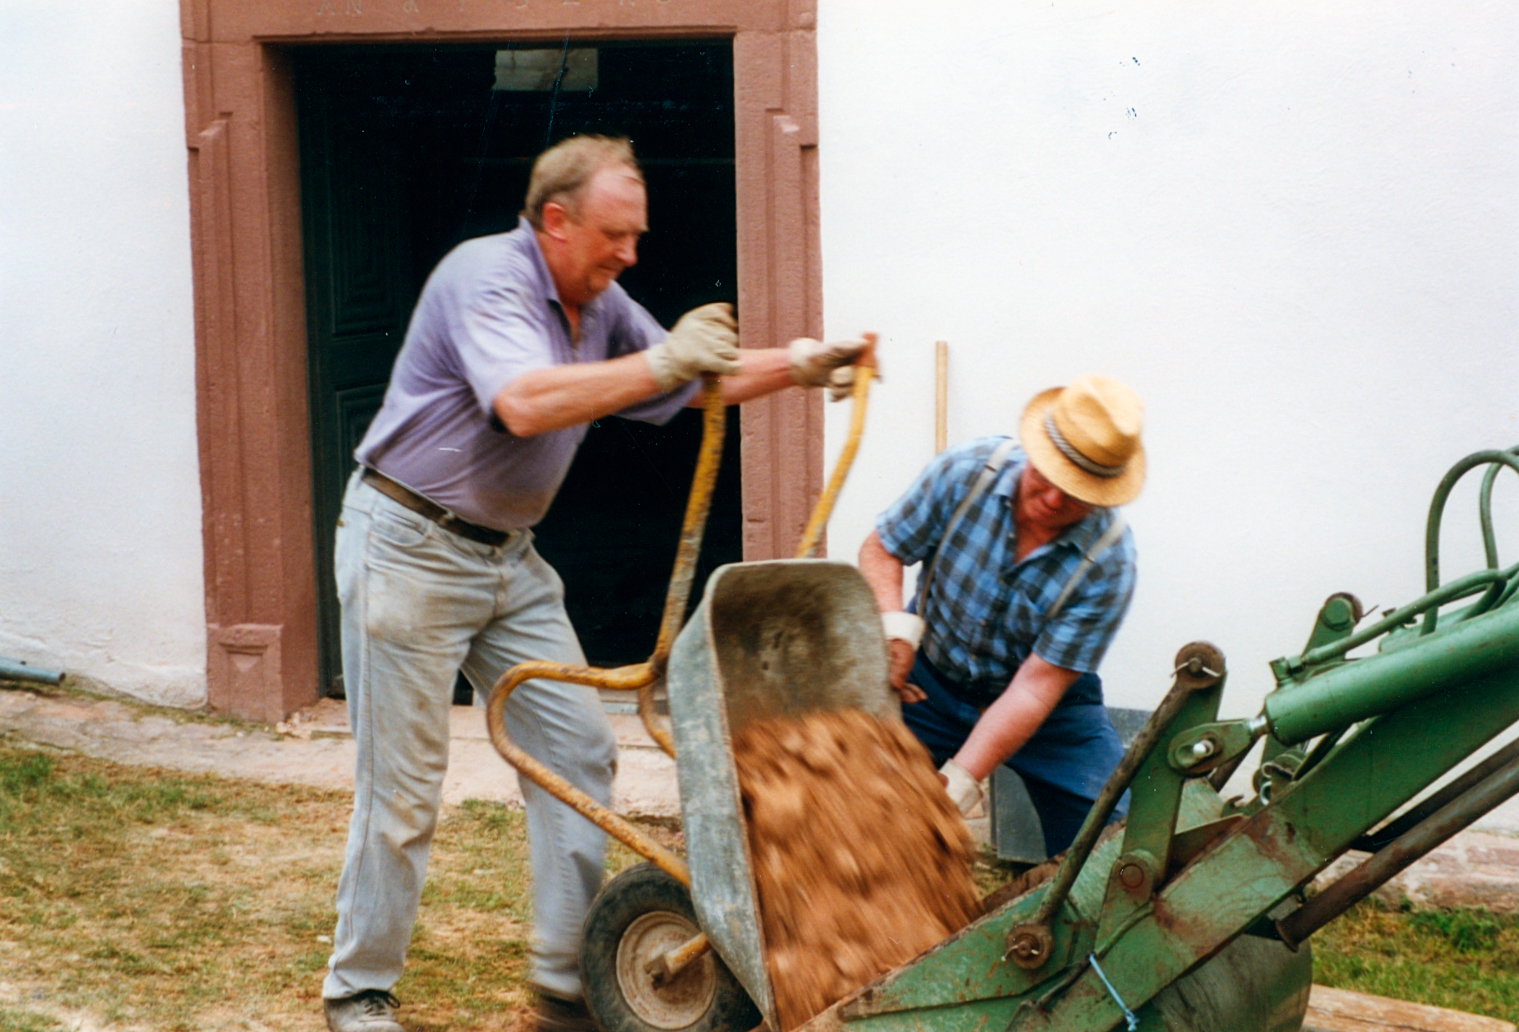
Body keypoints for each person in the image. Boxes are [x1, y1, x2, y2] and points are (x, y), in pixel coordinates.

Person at [321, 134, 869, 1032]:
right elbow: (525, 401)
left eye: (637, 238)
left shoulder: (600, 300)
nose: (630, 255)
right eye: (615, 235)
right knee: (404, 788)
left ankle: (565, 975)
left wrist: (803, 364)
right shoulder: (484, 279)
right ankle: (358, 989)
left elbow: (701, 381)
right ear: (555, 220)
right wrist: (665, 361)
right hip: (408, 546)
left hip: (506, 556)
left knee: (578, 748)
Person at [857, 374, 1143, 857]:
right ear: (1035, 450)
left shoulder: (1109, 564)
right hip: (928, 677)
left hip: (1050, 707)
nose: (1053, 501)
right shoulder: (965, 473)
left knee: (1109, 844)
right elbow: (882, 548)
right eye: (1047, 479)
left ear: (1104, 492)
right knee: (860, 810)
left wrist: (960, 784)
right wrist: (895, 631)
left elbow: (1035, 688)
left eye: (1074, 495)